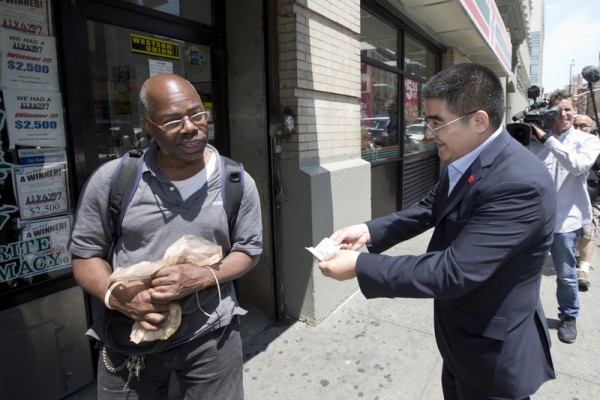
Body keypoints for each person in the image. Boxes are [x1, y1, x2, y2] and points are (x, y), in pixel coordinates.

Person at [318, 63, 556, 400]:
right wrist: (368, 231)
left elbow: (454, 270)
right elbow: (431, 207)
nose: (429, 133)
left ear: (479, 121)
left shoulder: (519, 184)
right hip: (460, 340)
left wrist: (359, 266)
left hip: (493, 355)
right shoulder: (467, 156)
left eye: (437, 123)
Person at [68, 73, 262, 399]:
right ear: (149, 126)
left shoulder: (237, 182)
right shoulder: (113, 180)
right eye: (172, 120)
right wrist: (117, 296)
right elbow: (85, 257)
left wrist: (200, 277)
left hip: (212, 336)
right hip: (130, 338)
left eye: (197, 114)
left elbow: (248, 250)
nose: (190, 127)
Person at [528, 92, 600, 344]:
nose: (564, 114)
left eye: (568, 109)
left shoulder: (586, 140)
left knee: (567, 275)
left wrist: (547, 139)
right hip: (535, 221)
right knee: (528, 273)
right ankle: (526, 315)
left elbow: (578, 166)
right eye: (557, 110)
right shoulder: (534, 140)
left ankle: (569, 316)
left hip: (565, 222)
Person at [573, 114, 599, 290]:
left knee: (589, 232)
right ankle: (577, 255)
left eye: (583, 126)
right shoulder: (567, 144)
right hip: (571, 198)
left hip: (594, 197)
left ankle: (583, 270)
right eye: (576, 125)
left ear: (592, 127)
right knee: (576, 233)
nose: (579, 129)